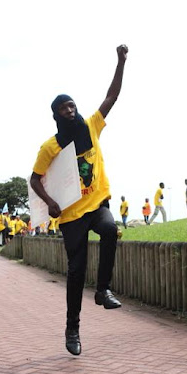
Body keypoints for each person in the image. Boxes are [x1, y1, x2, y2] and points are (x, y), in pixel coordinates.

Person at [30, 43, 127, 356]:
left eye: (72, 106)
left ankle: (102, 291)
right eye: (64, 109)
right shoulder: (51, 147)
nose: (71, 111)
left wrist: (120, 62)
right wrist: (50, 202)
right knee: (75, 272)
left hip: (97, 204)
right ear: (56, 116)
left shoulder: (91, 127)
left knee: (111, 230)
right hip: (71, 215)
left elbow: (111, 97)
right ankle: (73, 329)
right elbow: (34, 180)